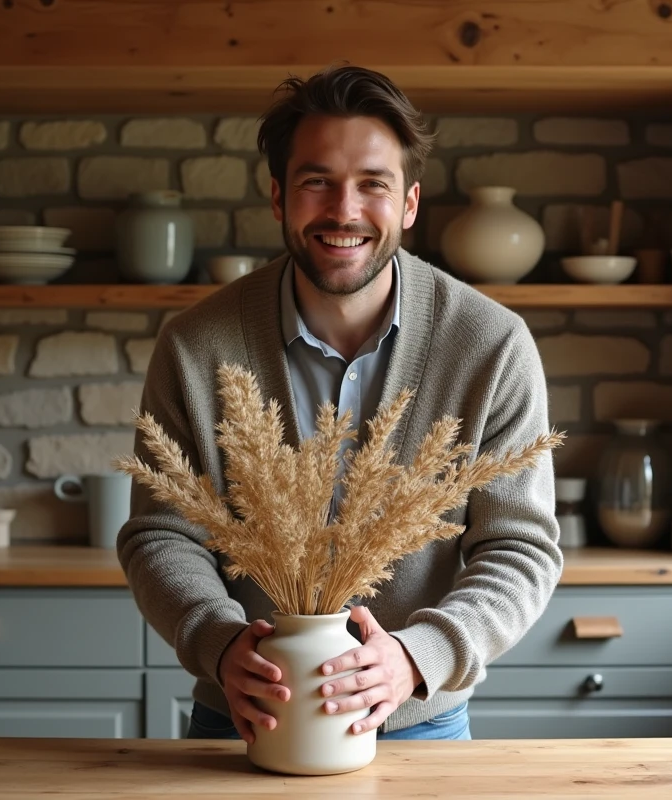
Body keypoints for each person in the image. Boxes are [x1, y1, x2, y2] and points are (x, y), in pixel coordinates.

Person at [116, 63, 563, 743]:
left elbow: (520, 548)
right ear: (278, 197)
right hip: (245, 719)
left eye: (372, 185)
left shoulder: (492, 346)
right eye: (316, 182)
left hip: (421, 723)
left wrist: (419, 656)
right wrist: (218, 640)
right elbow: (162, 533)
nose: (344, 210)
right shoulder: (195, 345)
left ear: (409, 204)